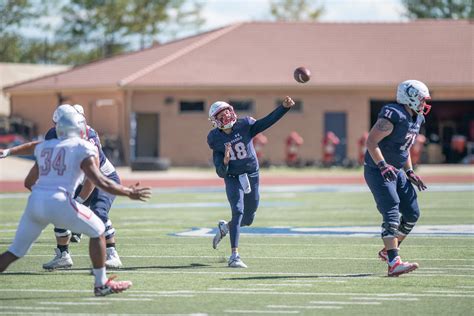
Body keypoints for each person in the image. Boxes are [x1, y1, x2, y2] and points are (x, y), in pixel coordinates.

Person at [0, 112, 151, 296]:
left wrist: (8, 152)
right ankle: (100, 283)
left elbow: (28, 179)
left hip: (35, 204)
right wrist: (128, 192)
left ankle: (64, 255)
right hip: (60, 201)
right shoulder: (83, 147)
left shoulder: (46, 147)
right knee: (98, 230)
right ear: (80, 129)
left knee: (15, 251)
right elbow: (100, 182)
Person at [0, 104, 124, 270]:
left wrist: (77, 202)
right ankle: (64, 255)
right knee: (60, 210)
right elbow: (37, 147)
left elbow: (92, 179)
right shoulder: (54, 135)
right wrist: (9, 151)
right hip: (76, 180)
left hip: (101, 177)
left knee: (98, 212)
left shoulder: (88, 140)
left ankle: (111, 254)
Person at [207, 96, 295, 268]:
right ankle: (234, 256)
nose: (226, 117)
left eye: (227, 113)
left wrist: (283, 108)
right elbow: (220, 172)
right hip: (232, 177)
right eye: (221, 116)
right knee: (238, 211)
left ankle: (226, 228)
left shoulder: (245, 125)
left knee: (248, 219)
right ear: (215, 121)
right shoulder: (214, 139)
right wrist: (225, 162)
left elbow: (267, 122)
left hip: (252, 174)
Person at [364, 79, 430, 277]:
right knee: (392, 212)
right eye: (421, 100)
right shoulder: (393, 115)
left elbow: (405, 147)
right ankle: (394, 262)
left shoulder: (416, 119)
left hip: (398, 170)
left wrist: (409, 171)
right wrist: (383, 166)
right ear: (408, 97)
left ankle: (388, 251)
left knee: (412, 213)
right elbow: (371, 142)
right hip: (378, 170)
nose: (424, 104)